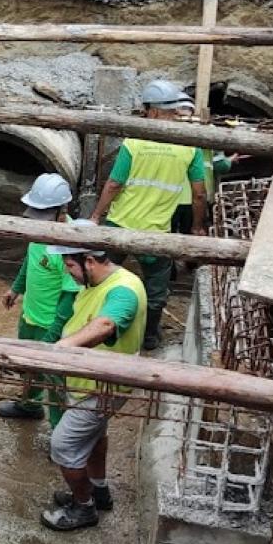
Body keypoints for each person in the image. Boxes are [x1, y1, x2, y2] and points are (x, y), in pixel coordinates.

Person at [40, 220, 146, 532]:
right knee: (95, 437)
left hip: (100, 389)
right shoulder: (97, 284)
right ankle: (98, 491)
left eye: (70, 265)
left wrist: (62, 347)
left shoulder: (123, 290)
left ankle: (83, 507)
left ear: (90, 261)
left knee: (63, 446)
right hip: (93, 383)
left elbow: (105, 326)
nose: (69, 273)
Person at [88, 79, 206, 351]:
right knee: (155, 291)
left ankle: (92, 324)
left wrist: (96, 215)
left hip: (120, 225)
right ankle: (149, 337)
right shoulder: (190, 145)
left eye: (145, 110)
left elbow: (114, 183)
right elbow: (199, 193)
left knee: (99, 275)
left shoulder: (135, 142)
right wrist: (197, 227)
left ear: (153, 112)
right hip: (156, 233)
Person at [0, 173, 79, 425]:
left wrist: (54, 333)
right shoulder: (38, 231)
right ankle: (29, 405)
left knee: (54, 379)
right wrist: (16, 288)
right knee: (29, 368)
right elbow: (30, 261)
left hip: (52, 323)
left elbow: (70, 295)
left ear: (62, 211)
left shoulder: (71, 243)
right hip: (30, 316)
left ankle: (59, 431)